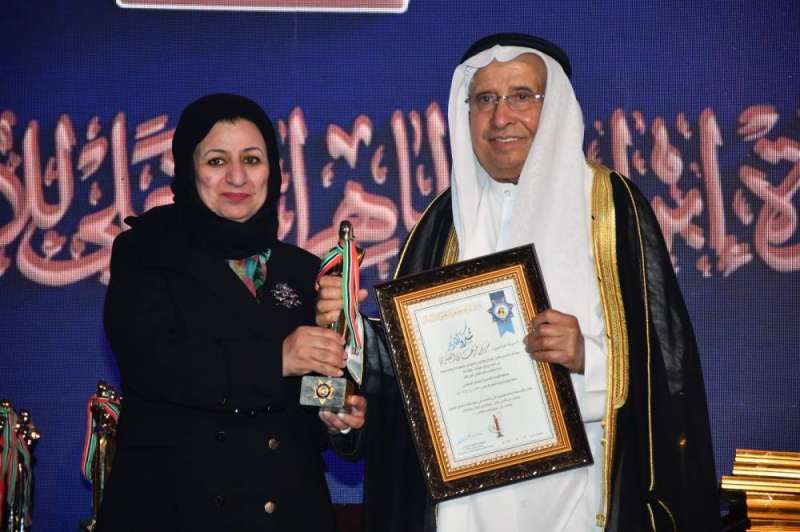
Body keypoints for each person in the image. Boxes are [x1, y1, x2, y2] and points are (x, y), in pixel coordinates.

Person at [317, 34, 720, 531]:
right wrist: (352, 335)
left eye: (521, 96)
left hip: (578, 498)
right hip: (464, 510)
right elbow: (416, 367)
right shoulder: (442, 221)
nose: (501, 117)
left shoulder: (612, 208)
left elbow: (668, 366)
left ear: (554, 109)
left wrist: (587, 356)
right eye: (485, 99)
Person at [99, 93, 365, 532]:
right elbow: (154, 365)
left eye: (252, 160)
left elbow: (307, 405)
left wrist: (339, 420)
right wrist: (277, 358)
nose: (237, 176)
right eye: (217, 161)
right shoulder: (146, 251)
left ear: (273, 171)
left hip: (287, 515)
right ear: (188, 168)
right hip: (178, 512)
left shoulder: (303, 270)